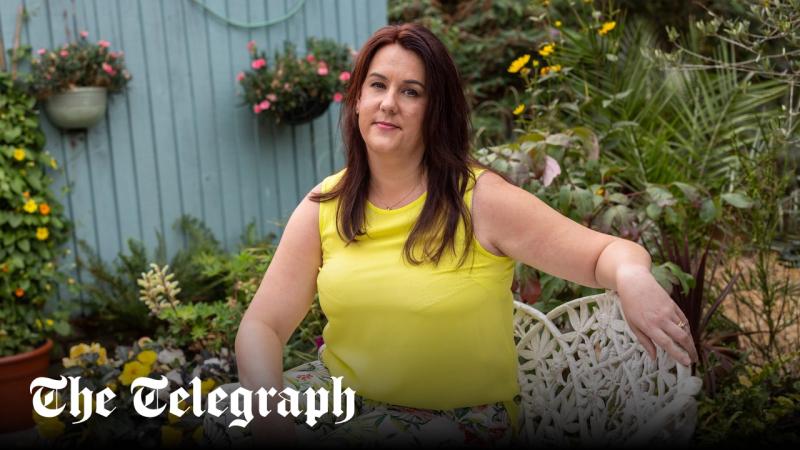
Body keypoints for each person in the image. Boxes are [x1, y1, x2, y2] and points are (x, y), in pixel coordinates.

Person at [234, 23, 699, 447]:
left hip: (454, 421)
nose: (389, 103)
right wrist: (270, 418)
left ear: (435, 111)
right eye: (377, 85)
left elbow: (604, 254)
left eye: (411, 91)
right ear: (357, 99)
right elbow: (262, 326)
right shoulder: (326, 205)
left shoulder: (480, 200)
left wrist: (631, 276)